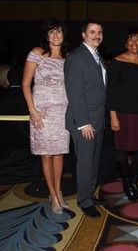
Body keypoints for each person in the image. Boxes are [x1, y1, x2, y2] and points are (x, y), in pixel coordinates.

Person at [22, 19, 70, 215]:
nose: (56, 35)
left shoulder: (68, 58)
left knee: (59, 154)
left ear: (64, 35)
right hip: (42, 113)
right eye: (52, 32)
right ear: (47, 35)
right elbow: (26, 84)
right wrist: (32, 110)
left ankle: (58, 191)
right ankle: (51, 194)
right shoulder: (37, 54)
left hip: (63, 113)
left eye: (59, 32)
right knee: (47, 155)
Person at [64, 19, 107, 218]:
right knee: (84, 163)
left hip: (97, 120)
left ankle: (89, 194)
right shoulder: (76, 57)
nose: (97, 35)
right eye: (92, 32)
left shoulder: (95, 55)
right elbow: (75, 93)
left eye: (99, 32)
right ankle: (85, 201)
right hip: (84, 122)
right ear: (84, 35)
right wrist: (83, 123)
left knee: (93, 162)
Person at [107, 27, 138, 202]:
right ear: (125, 43)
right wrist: (113, 116)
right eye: (130, 40)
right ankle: (127, 184)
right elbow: (110, 91)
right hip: (121, 113)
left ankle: (132, 182)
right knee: (121, 149)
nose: (134, 43)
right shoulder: (117, 62)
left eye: (137, 40)